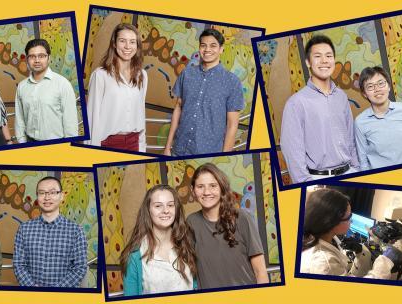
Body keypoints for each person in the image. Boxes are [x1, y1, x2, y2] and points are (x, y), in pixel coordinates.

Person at [280, 35, 360, 183]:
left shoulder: (341, 96)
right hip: (318, 178)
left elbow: (350, 137)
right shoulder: (296, 103)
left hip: (350, 172)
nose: (324, 61)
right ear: (308, 62)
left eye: (328, 56)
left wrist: (357, 168)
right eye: (318, 56)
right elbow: (292, 150)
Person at [163, 28, 244, 156]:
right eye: (203, 45)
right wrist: (167, 147)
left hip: (208, 153)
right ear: (199, 47)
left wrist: (222, 159)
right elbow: (178, 108)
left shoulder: (232, 82)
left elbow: (232, 125)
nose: (207, 50)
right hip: (179, 149)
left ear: (221, 49)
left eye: (213, 46)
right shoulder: (187, 73)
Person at [186, 163, 268, 288]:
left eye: (213, 186)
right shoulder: (191, 222)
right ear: (193, 191)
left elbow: (260, 271)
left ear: (221, 188)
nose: (206, 192)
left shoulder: (242, 218)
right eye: (200, 186)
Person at [299, 188, 402, 278]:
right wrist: (385, 261)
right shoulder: (324, 263)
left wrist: (360, 250)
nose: (351, 221)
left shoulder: (324, 238)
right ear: (331, 221)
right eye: (349, 216)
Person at [120, 185, 197, 295]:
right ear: (148, 210)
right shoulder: (134, 255)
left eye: (170, 205)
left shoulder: (187, 244)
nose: (165, 210)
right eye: (158, 206)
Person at [12, 176, 87, 287]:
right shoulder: (24, 229)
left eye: (52, 192)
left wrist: (55, 293)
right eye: (42, 193)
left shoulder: (76, 231)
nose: (47, 197)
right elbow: (19, 264)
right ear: (37, 197)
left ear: (61, 196)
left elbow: (80, 267)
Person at [355, 66, 402, 170]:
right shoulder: (360, 122)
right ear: (364, 94)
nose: (377, 89)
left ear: (388, 86)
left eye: (381, 83)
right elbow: (363, 159)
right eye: (370, 86)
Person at [86, 23, 148, 152]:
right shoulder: (100, 75)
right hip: (108, 143)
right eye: (122, 41)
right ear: (114, 43)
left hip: (134, 142)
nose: (127, 46)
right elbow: (92, 118)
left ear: (137, 46)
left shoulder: (142, 75)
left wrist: (142, 146)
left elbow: (140, 112)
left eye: (132, 42)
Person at [14, 38, 79, 143]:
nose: (37, 60)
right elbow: (20, 119)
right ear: (27, 59)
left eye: (41, 56)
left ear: (49, 58)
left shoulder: (62, 84)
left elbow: (70, 123)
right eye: (32, 57)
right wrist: (22, 141)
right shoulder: (22, 86)